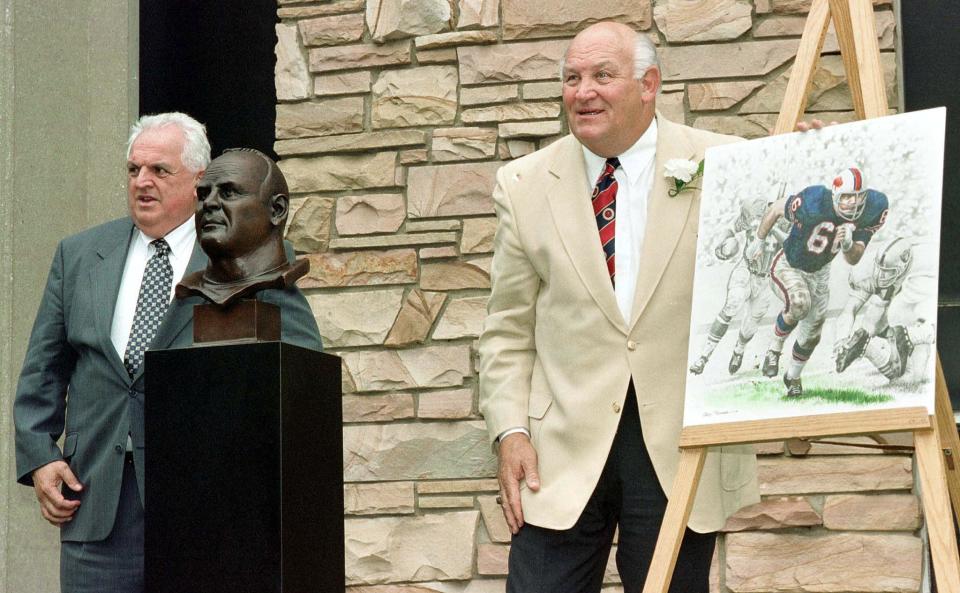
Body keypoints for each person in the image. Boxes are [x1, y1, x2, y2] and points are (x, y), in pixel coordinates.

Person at [478, 22, 759, 593]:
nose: (583, 91)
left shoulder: (726, 163)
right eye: (572, 78)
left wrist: (824, 158)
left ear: (648, 83)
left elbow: (785, 243)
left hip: (678, 441)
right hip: (558, 450)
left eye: (603, 76)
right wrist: (509, 431)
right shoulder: (523, 184)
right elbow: (507, 329)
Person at [13, 112, 322, 593]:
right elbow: (43, 372)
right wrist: (39, 458)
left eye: (160, 171)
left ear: (201, 182)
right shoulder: (79, 255)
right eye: (134, 170)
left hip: (205, 513)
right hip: (96, 511)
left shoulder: (245, 260)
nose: (142, 182)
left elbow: (301, 377)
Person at [755, 166, 888, 397]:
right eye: (847, 196)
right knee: (799, 303)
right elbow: (777, 208)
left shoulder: (875, 206)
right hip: (789, 264)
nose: (854, 203)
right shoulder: (815, 200)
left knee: (813, 332)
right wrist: (759, 240)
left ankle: (793, 377)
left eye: (859, 196)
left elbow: (854, 258)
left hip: (820, 273)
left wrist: (847, 244)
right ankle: (774, 349)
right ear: (835, 194)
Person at [177, 148, 309, 307]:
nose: (209, 203)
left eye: (228, 193)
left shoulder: (280, 304)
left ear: (276, 210)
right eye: (203, 195)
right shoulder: (191, 290)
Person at [689, 193, 789, 376]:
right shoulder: (753, 210)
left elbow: (790, 244)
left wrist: (772, 229)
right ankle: (704, 356)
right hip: (746, 269)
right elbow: (732, 228)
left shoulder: (788, 218)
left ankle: (739, 349)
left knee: (750, 326)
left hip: (765, 278)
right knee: (732, 304)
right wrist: (723, 244)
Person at [833, 237, 934, 381]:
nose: (882, 276)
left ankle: (884, 345)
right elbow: (850, 309)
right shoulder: (868, 268)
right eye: (881, 270)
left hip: (907, 309)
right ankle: (867, 345)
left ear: (903, 266)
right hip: (889, 308)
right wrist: (841, 339)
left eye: (888, 272)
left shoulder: (925, 265)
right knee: (877, 315)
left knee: (913, 374)